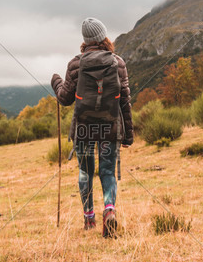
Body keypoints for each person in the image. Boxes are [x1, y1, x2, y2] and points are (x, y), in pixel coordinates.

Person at [51, 17, 134, 238]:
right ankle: (109, 211)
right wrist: (128, 136)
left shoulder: (76, 64)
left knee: (85, 172)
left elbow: (65, 98)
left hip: (83, 129)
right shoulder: (118, 62)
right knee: (107, 171)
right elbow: (125, 100)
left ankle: (89, 218)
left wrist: (56, 81)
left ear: (85, 40)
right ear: (103, 36)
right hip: (110, 127)